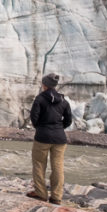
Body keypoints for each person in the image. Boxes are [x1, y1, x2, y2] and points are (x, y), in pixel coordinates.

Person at [26, 73, 72, 204]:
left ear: (44, 85)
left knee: (39, 165)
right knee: (58, 166)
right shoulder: (64, 101)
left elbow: (34, 118)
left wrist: (41, 128)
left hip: (42, 137)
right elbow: (68, 120)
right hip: (59, 138)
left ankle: (41, 193)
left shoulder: (39, 99)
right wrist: (58, 128)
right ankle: (56, 197)